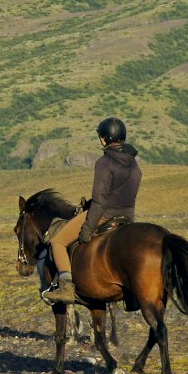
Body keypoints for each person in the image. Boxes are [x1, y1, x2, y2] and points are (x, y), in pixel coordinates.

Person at [40, 117, 142, 304]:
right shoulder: (134, 163)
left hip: (104, 215)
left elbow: (100, 201)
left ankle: (66, 288)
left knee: (58, 242)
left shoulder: (104, 163)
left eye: (100, 137)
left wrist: (87, 229)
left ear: (105, 139)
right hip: (127, 217)